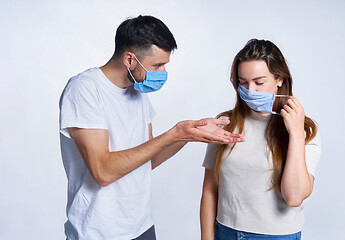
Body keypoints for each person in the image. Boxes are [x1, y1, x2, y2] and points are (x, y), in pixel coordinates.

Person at [59, 15, 243, 240]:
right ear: (129, 59)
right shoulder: (84, 89)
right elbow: (103, 172)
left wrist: (189, 134)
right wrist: (174, 133)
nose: (162, 72)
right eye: (157, 65)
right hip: (99, 232)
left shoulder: (137, 92)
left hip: (141, 226)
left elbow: (148, 160)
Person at [200, 39, 321, 240]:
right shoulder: (225, 123)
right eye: (243, 83)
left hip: (275, 236)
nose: (251, 91)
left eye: (259, 82)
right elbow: (210, 190)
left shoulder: (307, 130)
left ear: (280, 79)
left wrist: (296, 135)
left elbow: (294, 197)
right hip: (225, 232)